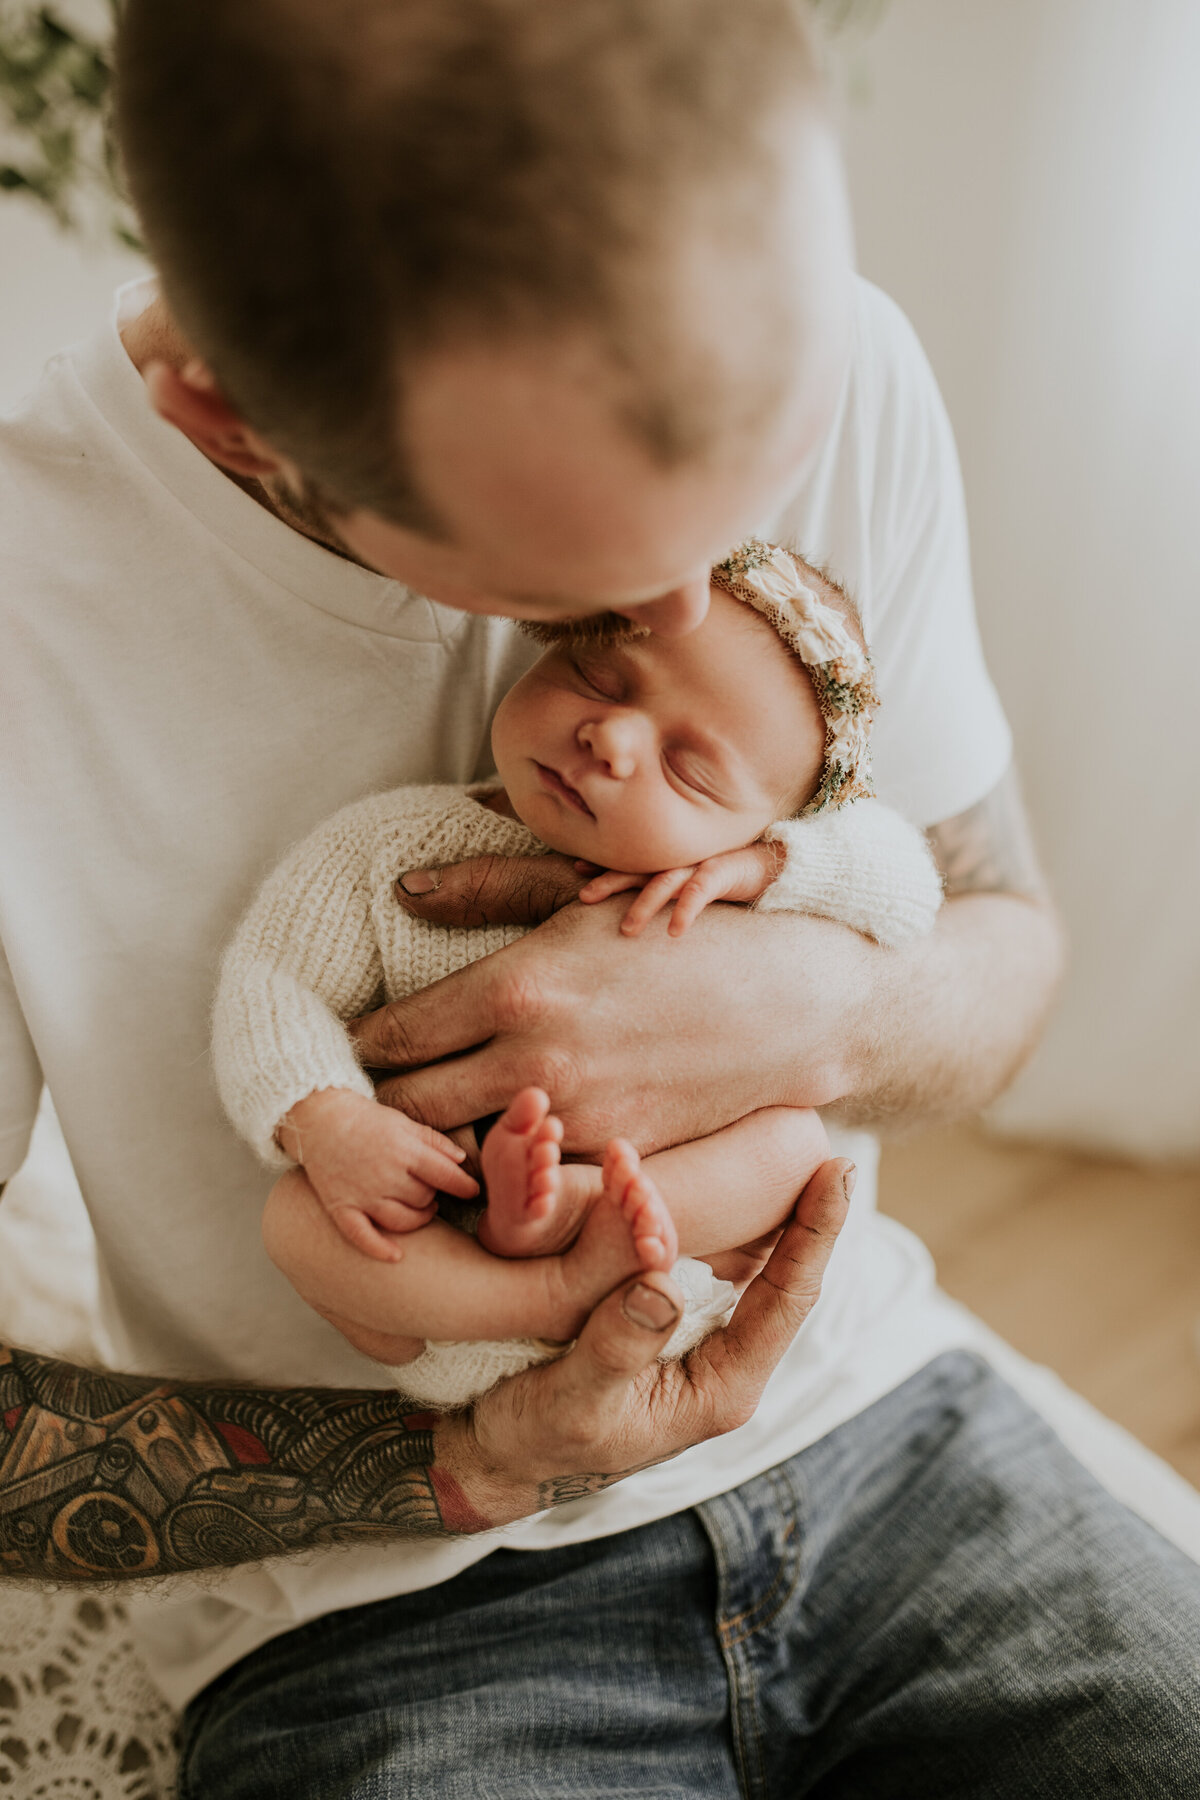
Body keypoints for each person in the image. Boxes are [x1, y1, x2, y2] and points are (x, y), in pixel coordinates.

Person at [1, 1, 1198, 1795]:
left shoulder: (829, 357)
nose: (698, 604)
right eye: (596, 593)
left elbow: (1002, 932)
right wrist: (470, 1456)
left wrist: (817, 1009)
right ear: (238, 425)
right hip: (383, 1604)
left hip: (876, 1424)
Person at [213, 543, 943, 1407]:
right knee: (295, 1223)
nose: (613, 736)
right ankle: (540, 1289)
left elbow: (906, 883)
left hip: (662, 1276)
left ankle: (572, 1208)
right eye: (599, 678)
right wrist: (325, 1118)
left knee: (795, 1149)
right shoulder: (393, 848)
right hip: (439, 1241)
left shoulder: (724, 880)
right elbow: (272, 982)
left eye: (689, 769)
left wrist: (767, 867)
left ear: (764, 824)